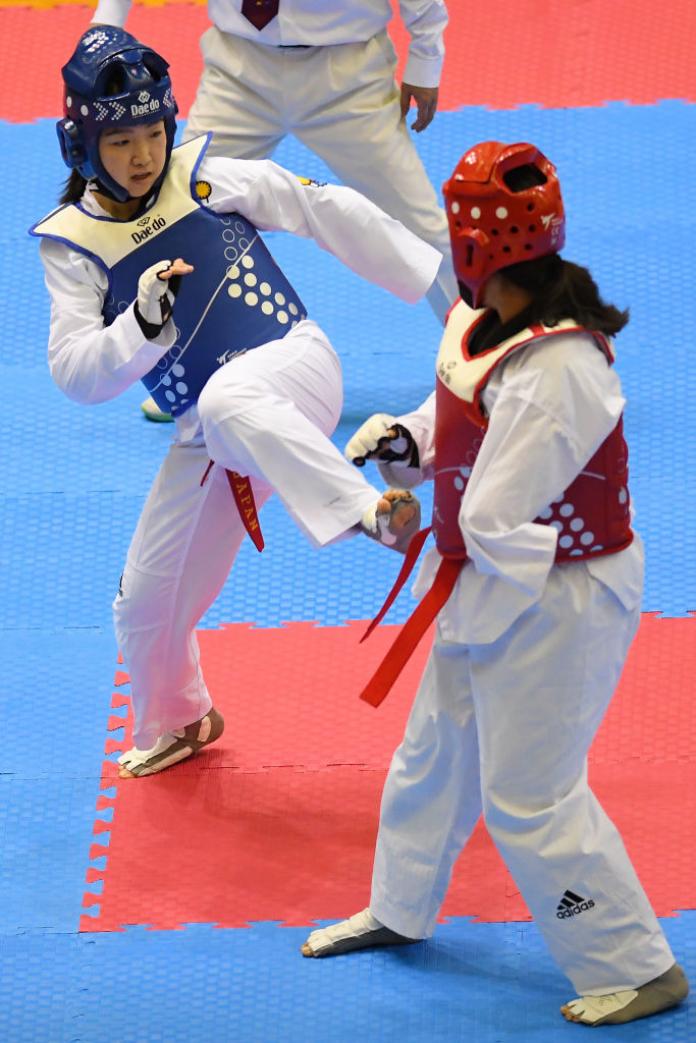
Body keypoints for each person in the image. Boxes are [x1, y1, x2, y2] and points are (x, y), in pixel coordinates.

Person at [300, 141, 690, 1028]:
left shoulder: (563, 370)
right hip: (490, 575)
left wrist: (407, 524)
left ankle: (638, 962)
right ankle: (400, 907)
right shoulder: (480, 320)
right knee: (434, 753)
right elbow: (463, 421)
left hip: (563, 592)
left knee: (530, 791)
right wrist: (407, 440)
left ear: (476, 246)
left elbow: (490, 511)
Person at [30, 27, 430, 778]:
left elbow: (323, 207)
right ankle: (183, 717)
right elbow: (76, 373)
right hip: (212, 428)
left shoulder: (203, 178)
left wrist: (428, 277)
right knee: (145, 602)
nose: (145, 155)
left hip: (295, 367)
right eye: (122, 142)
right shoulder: (72, 246)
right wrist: (141, 323)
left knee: (230, 397)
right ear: (82, 146)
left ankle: (369, 511)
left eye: (154, 132)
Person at [89, 0, 457, 421]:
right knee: (177, 208)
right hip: (239, 67)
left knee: (420, 225)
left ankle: (488, 353)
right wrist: (105, 28)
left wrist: (426, 56)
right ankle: (187, 372)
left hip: (350, 72)